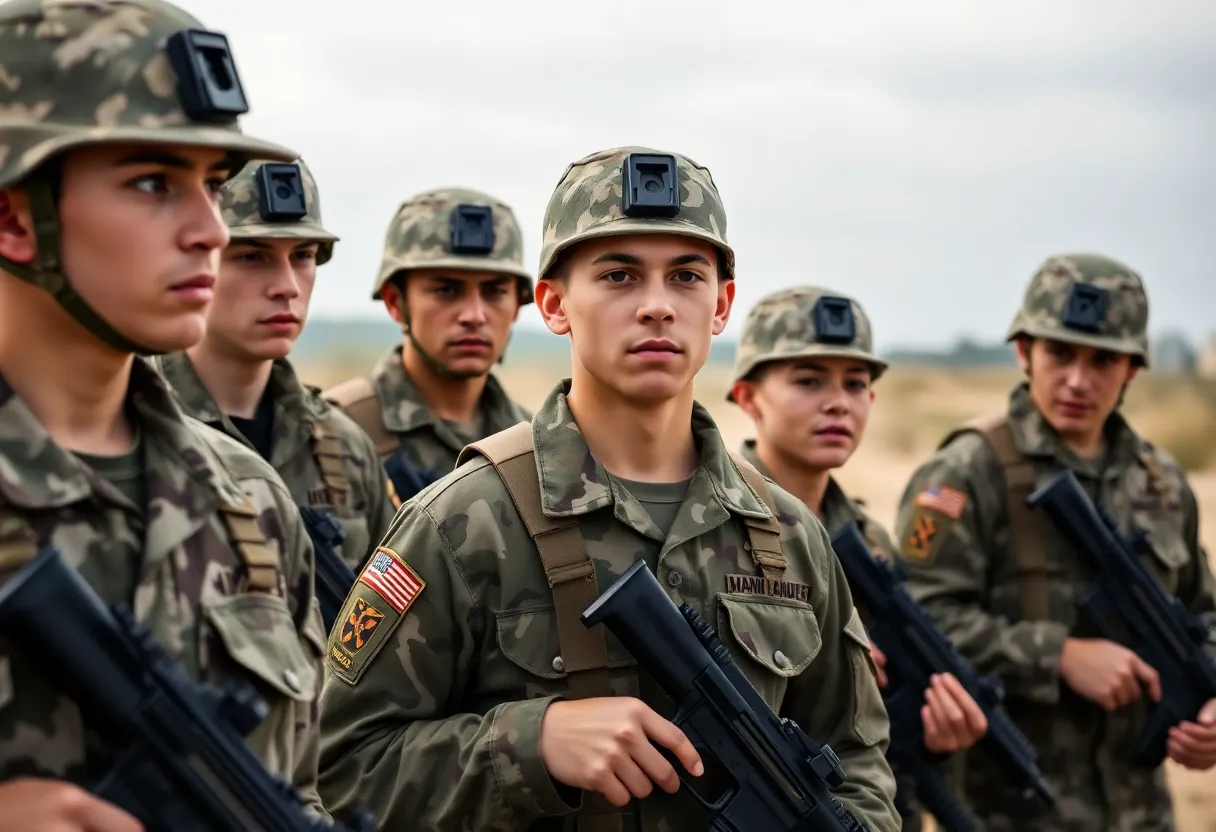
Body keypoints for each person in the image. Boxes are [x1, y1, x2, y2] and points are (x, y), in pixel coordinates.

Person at [316, 146, 900, 832]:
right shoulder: (464, 519)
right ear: (555, 303)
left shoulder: (789, 534)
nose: (656, 306)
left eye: (686, 276)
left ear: (722, 306)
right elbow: (346, 766)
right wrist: (535, 744)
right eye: (619, 275)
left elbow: (857, 758)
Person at [0, 0, 333, 828]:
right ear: (12, 216)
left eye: (212, 185)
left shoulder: (249, 502)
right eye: (153, 183)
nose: (211, 230)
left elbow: (308, 786)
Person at [893, 254, 1216, 831]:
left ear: (1133, 370)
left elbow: (1202, 612)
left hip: (1141, 814)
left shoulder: (1162, 482)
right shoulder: (970, 471)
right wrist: (1058, 656)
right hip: (1009, 810)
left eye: (1103, 360)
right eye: (1060, 354)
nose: (1077, 379)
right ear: (1024, 352)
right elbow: (917, 621)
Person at [727, 285, 990, 830]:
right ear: (748, 396)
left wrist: (935, 730)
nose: (837, 402)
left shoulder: (871, 543)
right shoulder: (712, 521)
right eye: (808, 380)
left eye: (856, 384)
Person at [156, 157, 395, 572]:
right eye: (252, 256)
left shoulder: (345, 447)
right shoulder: (135, 425)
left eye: (303, 255)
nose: (286, 286)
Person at [322, 187, 533, 502]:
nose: (474, 315)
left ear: (517, 305)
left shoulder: (534, 442)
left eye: (494, 291)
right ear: (396, 302)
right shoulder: (332, 433)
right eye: (447, 289)